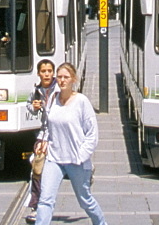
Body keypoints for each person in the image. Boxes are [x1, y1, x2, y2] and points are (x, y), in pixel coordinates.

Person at [35, 62, 107, 225]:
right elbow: (47, 126)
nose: (62, 80)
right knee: (45, 200)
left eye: (65, 77)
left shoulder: (81, 101)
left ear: (73, 79)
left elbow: (92, 134)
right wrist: (43, 141)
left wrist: (81, 156)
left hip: (76, 160)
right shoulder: (53, 99)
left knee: (85, 200)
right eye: (59, 77)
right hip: (54, 159)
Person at [25, 59, 58, 223]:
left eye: (49, 71)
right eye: (43, 71)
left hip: (60, 134)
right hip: (44, 134)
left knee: (71, 168)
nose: (46, 74)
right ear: (38, 73)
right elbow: (29, 107)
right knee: (37, 168)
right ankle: (35, 206)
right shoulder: (36, 91)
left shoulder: (60, 88)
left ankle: (86, 171)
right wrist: (35, 107)